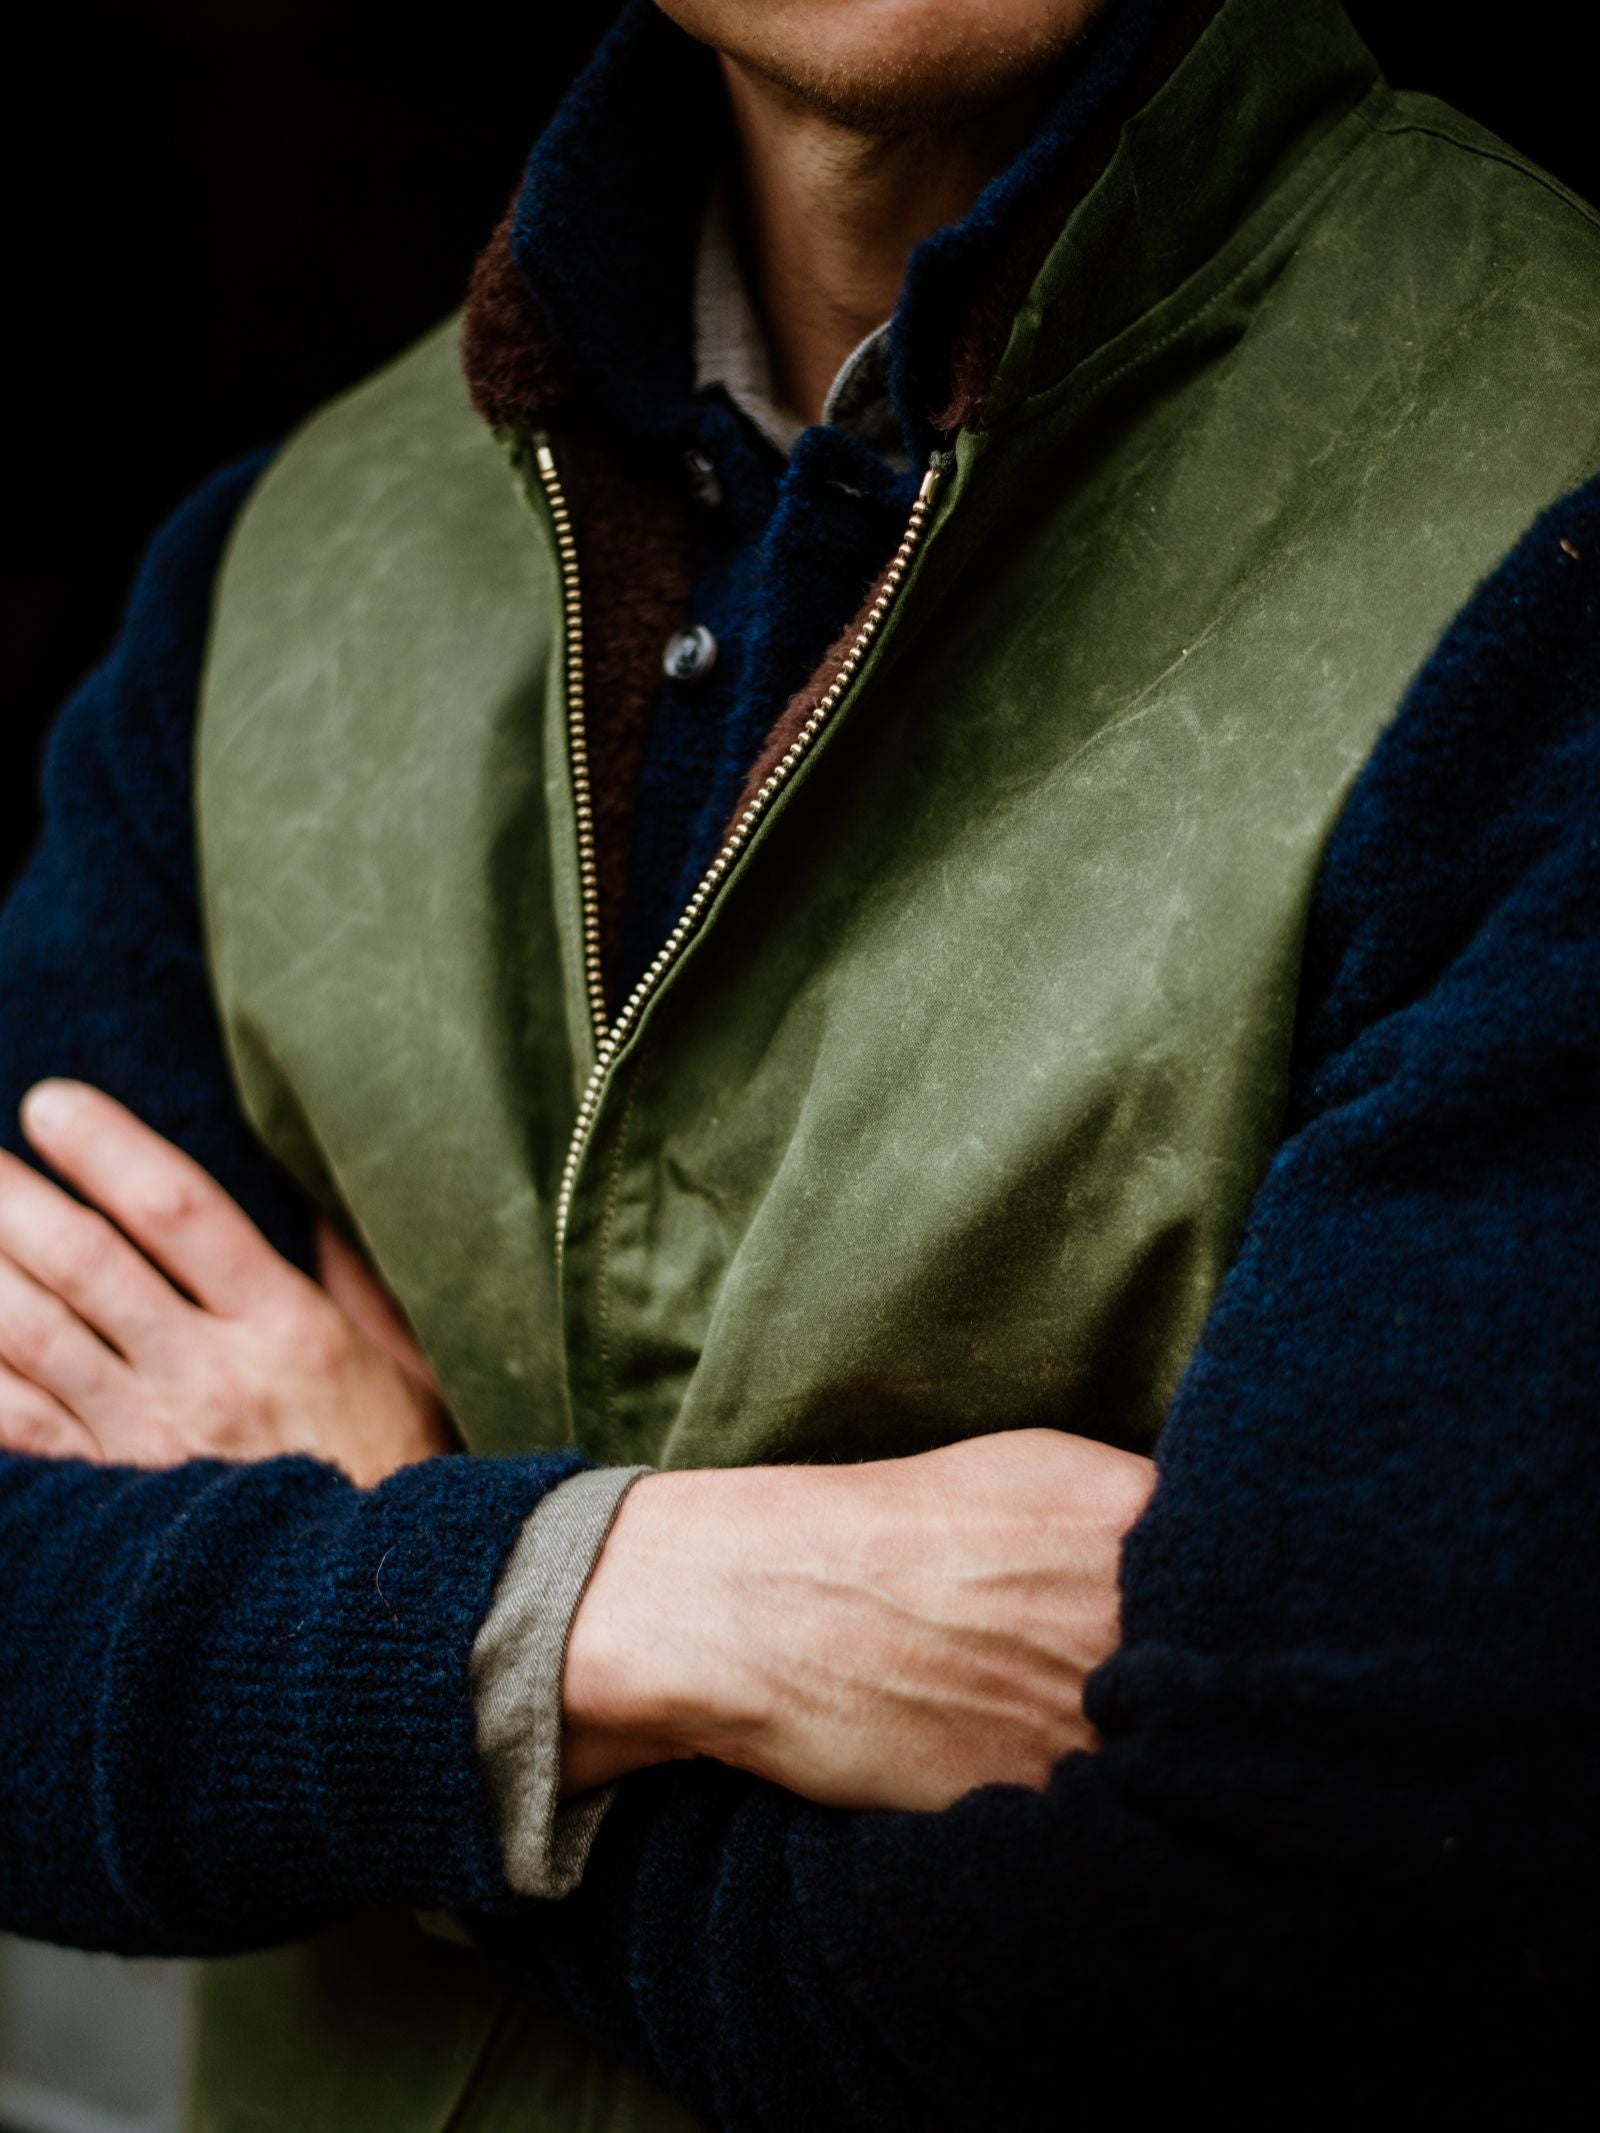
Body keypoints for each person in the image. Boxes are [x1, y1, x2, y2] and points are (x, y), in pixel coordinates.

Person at [1, 0, 1597, 2124]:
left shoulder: (1540, 525)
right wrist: (654, 1603)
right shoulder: (271, 582)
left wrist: (376, 1650)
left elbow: (1283, 1931)